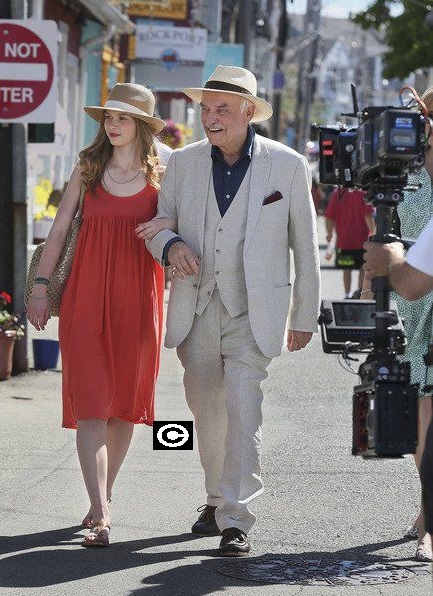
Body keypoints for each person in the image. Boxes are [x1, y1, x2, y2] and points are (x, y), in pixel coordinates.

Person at [144, 65, 320, 557]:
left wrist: (304, 315)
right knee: (207, 413)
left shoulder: (286, 166)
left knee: (245, 409)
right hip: (197, 309)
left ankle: (237, 518)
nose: (211, 117)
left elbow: (304, 245)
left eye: (222, 108)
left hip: (254, 311)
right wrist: (170, 243)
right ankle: (216, 497)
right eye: (206, 108)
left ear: (248, 111)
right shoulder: (182, 162)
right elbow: (157, 225)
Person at [26, 83, 174, 548]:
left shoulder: (163, 172)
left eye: (122, 118)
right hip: (85, 297)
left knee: (123, 409)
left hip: (139, 299)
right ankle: (103, 509)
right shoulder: (88, 168)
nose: (112, 125)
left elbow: (186, 224)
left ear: (143, 127)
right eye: (108, 117)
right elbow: (58, 231)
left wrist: (168, 224)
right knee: (91, 402)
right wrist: (39, 287)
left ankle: (101, 498)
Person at [363, 87, 433, 561]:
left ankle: (429, 519)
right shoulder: (402, 169)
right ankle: (427, 511)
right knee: (419, 408)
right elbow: (382, 231)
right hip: (410, 301)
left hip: (419, 282)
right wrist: (371, 289)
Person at [325, 187, 375, 298]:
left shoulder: (338, 193)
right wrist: (373, 233)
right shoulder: (363, 193)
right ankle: (359, 293)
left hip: (344, 241)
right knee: (363, 268)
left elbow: (329, 216)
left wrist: (329, 233)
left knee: (346, 269)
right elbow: (368, 215)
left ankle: (347, 294)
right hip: (362, 240)